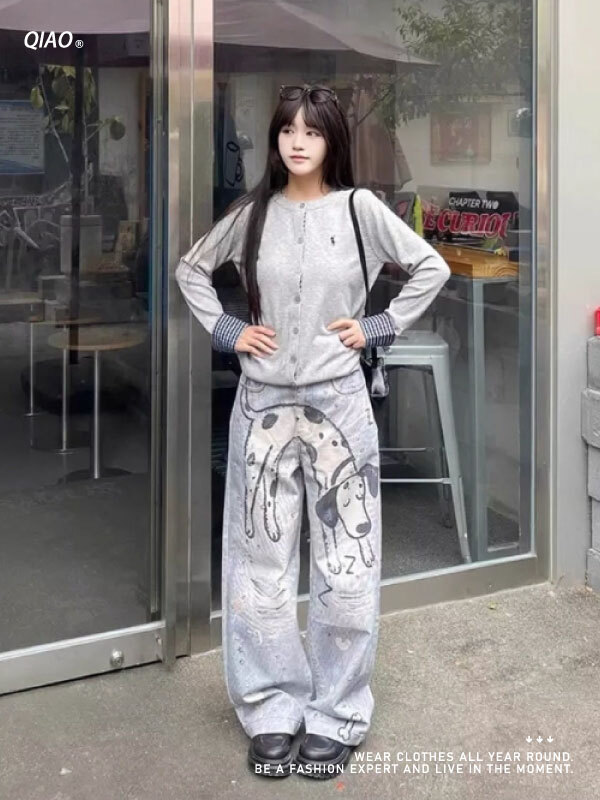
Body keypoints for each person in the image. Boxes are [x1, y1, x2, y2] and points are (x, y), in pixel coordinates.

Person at [175, 83, 451, 780]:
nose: (298, 142)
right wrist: (230, 331)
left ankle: (337, 712)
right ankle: (271, 706)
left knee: (345, 562)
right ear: (275, 140)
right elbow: (191, 270)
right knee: (259, 564)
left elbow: (431, 266)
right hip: (261, 404)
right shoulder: (254, 213)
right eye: (287, 130)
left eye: (312, 131)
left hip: (339, 403)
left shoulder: (359, 209)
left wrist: (378, 325)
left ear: (332, 140)